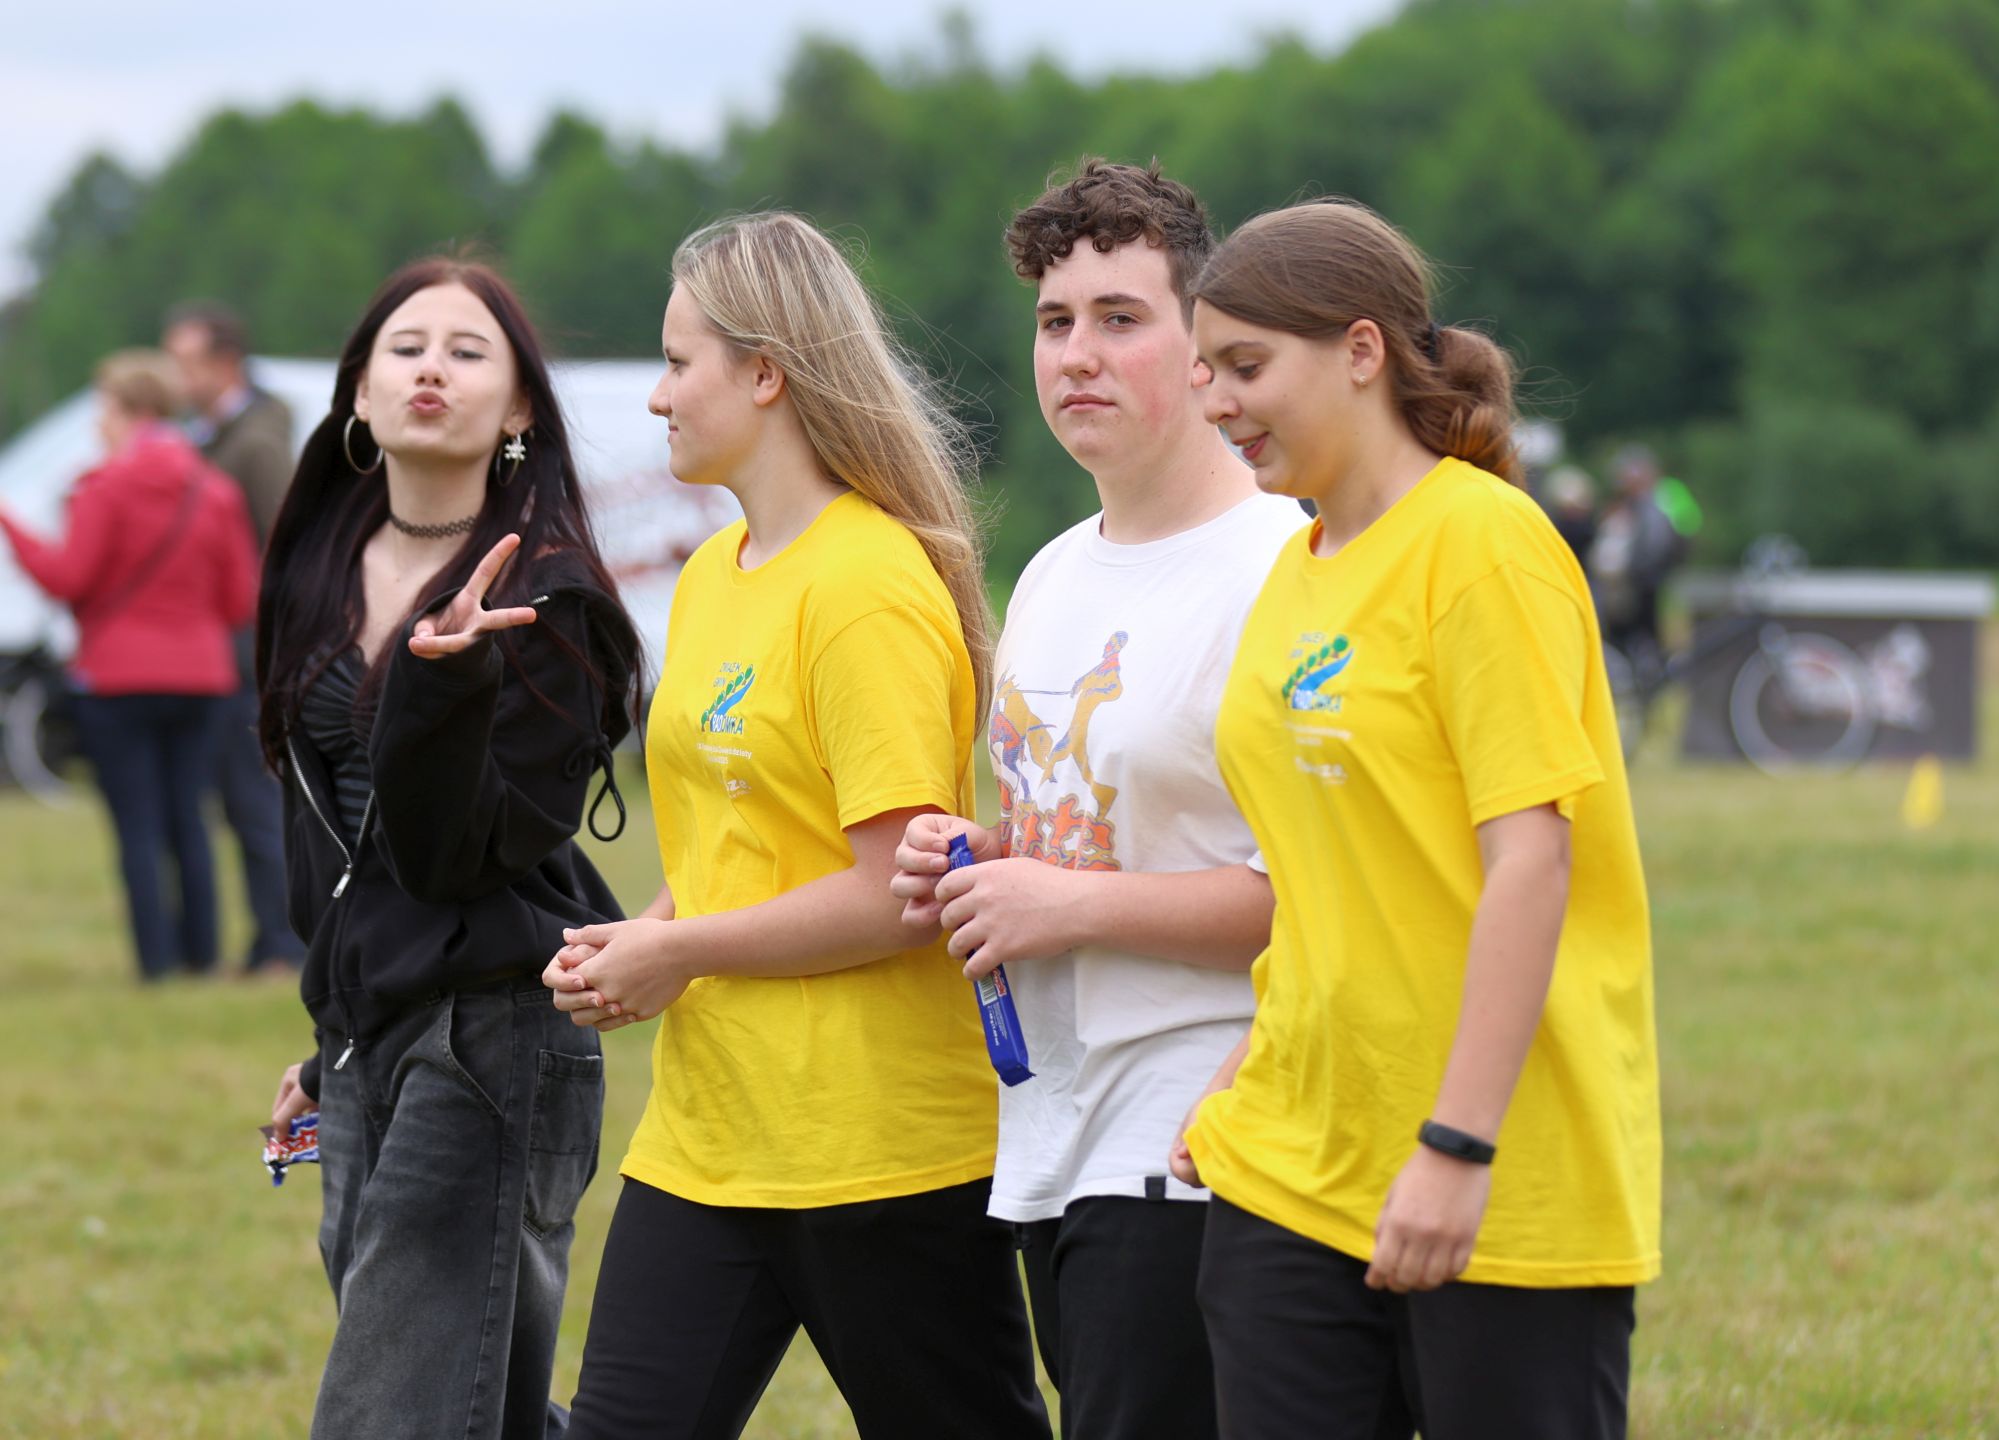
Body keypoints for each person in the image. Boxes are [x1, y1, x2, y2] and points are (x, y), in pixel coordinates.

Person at [541, 212, 1049, 1440]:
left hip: (876, 1142)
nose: (657, 396)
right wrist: (646, 935)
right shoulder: (713, 574)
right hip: (710, 1134)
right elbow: (739, 839)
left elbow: (897, 893)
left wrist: (680, 950)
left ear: (765, 374)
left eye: (678, 363)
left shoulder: (865, 585)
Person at [1177, 199, 1661, 1440]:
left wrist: (1455, 1146)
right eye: (1205, 370)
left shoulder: (1483, 546)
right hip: (1290, 1158)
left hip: (1492, 1163)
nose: (1215, 401)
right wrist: (1248, 1070)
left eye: (1244, 366)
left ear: (1360, 350)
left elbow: (1530, 864)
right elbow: (1330, 874)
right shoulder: (1293, 570)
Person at [889, 158, 1296, 1440]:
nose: (1078, 355)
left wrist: (1064, 904)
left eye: (1121, 319)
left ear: (1203, 345)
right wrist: (982, 859)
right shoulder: (1056, 573)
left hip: (1196, 1128)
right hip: (1048, 1123)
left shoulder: (1282, 566)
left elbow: (1325, 896)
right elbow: (1092, 832)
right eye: (1055, 322)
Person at [258, 257, 642, 1440]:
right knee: (468, 1401)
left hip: (493, 1028)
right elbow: (325, 841)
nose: (433, 368)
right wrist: (330, 1032)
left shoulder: (549, 603)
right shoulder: (316, 569)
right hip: (371, 1031)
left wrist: (446, 685)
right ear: (359, 394)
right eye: (406, 348)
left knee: (395, 1409)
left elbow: (451, 861)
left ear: (518, 405)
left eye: (469, 352)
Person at [0, 350, 258, 980]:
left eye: (104, 410)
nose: (98, 424)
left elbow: (67, 578)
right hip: (203, 676)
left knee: (138, 823)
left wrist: (9, 523)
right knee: (190, 818)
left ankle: (157, 963)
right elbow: (239, 600)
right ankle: (203, 957)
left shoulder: (104, 487)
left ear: (129, 410)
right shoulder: (215, 491)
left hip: (118, 677)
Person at [163, 300, 307, 974]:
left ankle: (282, 943)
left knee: (255, 800)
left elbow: (286, 544)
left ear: (224, 363)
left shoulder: (255, 443)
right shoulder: (218, 435)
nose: (176, 375)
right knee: (242, 798)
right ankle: (269, 938)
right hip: (233, 645)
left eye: (185, 361)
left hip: (253, 647)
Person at [1587, 443, 1686, 674]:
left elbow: (1662, 539)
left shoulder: (1659, 500)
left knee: (1646, 632)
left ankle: (1650, 674)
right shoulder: (1628, 506)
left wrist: (1638, 570)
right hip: (1637, 580)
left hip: (1645, 580)